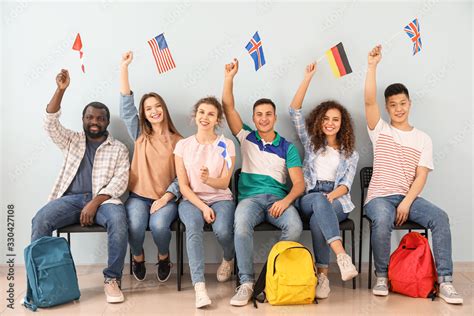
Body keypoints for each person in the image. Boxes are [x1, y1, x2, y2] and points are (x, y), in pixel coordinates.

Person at [363, 45, 463, 304]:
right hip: (379, 198)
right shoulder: (380, 130)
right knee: (383, 218)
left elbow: (421, 176)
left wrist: (407, 201)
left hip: (407, 197)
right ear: (387, 108)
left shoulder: (423, 139)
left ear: (410, 104)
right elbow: (368, 101)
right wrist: (372, 66)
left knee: (440, 217)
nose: (399, 109)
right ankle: (382, 277)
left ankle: (445, 282)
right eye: (393, 105)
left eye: (403, 103)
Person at [31, 69, 130, 303]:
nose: (94, 122)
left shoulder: (118, 148)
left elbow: (120, 181)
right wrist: (61, 89)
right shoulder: (72, 140)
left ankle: (112, 279)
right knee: (40, 220)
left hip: (105, 201)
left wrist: (95, 203)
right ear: (83, 119)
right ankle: (43, 280)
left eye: (100, 118)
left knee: (119, 221)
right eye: (90, 117)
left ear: (107, 122)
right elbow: (50, 123)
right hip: (71, 199)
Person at [222, 59, 305, 306]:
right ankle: (246, 283)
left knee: (295, 228)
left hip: (279, 200)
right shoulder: (246, 137)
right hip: (250, 200)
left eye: (268, 114)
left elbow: (299, 185)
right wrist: (229, 78)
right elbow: (227, 107)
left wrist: (286, 200)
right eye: (259, 114)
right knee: (241, 226)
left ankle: (269, 277)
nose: (264, 118)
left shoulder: (287, 148)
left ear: (275, 117)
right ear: (254, 118)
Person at [289, 62, 359, 299]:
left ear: (342, 124)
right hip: (310, 196)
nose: (330, 122)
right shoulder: (311, 142)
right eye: (326, 118)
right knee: (319, 201)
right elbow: (294, 111)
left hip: (338, 198)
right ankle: (342, 255)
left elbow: (345, 185)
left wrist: (331, 197)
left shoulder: (351, 153)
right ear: (319, 121)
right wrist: (307, 78)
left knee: (321, 217)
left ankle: (323, 277)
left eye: (336, 119)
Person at [119, 51, 182, 282]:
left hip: (165, 199)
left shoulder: (179, 141)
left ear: (164, 109)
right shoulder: (139, 134)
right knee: (134, 226)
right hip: (138, 197)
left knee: (158, 226)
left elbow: (181, 179)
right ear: (144, 114)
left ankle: (164, 257)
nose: (154, 111)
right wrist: (124, 67)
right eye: (148, 109)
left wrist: (166, 198)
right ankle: (138, 257)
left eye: (157, 106)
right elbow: (126, 108)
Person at [174, 96, 236, 308]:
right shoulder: (182, 146)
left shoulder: (227, 145)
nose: (205, 117)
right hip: (192, 200)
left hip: (220, 198)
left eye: (211, 114)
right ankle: (199, 287)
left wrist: (208, 179)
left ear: (218, 119)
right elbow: (183, 186)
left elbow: (225, 182)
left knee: (224, 231)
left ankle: (228, 258)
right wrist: (202, 207)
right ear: (195, 115)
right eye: (201, 112)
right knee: (193, 227)